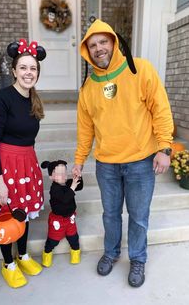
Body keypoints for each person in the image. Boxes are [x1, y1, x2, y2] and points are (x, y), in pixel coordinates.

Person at [72, 19, 173, 288]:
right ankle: (111, 252)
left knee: (139, 216)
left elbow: (160, 109)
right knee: (110, 214)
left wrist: (165, 147)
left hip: (140, 161)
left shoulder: (140, 69)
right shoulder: (87, 89)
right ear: (87, 52)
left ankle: (138, 259)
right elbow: (85, 130)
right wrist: (79, 160)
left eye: (103, 41)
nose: (98, 48)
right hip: (106, 164)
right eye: (92, 45)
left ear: (114, 42)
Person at [0, 38, 47, 288]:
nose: (29, 73)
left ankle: (24, 254)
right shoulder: (1, 99)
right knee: (6, 214)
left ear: (37, 73)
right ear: (14, 70)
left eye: (33, 69)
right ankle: (8, 263)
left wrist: (30, 165)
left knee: (24, 211)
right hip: (4, 164)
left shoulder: (33, 99)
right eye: (24, 68)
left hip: (26, 162)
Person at [41, 160, 83, 267]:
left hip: (70, 219)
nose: (63, 175)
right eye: (59, 173)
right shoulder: (54, 188)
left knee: (73, 237)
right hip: (57, 220)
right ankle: (47, 254)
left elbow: (80, 186)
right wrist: (72, 187)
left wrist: (78, 176)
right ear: (51, 177)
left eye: (65, 172)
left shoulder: (68, 183)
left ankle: (75, 253)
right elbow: (65, 198)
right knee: (53, 240)